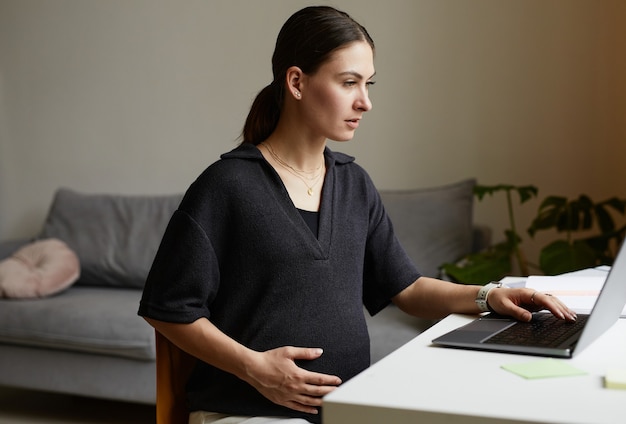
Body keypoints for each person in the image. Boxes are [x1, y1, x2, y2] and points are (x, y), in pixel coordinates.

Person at [138, 6, 576, 424]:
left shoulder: (353, 184)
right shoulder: (226, 186)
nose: (365, 102)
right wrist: (257, 369)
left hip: (346, 409)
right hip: (248, 411)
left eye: (369, 84)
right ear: (296, 81)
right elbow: (168, 308)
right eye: (349, 82)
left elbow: (406, 288)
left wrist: (488, 296)